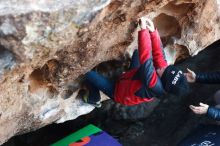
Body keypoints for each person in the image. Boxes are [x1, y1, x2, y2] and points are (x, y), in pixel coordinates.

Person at [82, 17, 189, 107]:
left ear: (163, 81)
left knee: (87, 73)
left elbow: (146, 57)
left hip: (118, 92)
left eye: (165, 70)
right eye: (168, 68)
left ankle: (94, 98)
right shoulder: (164, 71)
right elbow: (159, 54)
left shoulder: (153, 84)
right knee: (137, 53)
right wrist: (153, 32)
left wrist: (144, 31)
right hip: (132, 78)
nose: (164, 67)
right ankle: (122, 72)